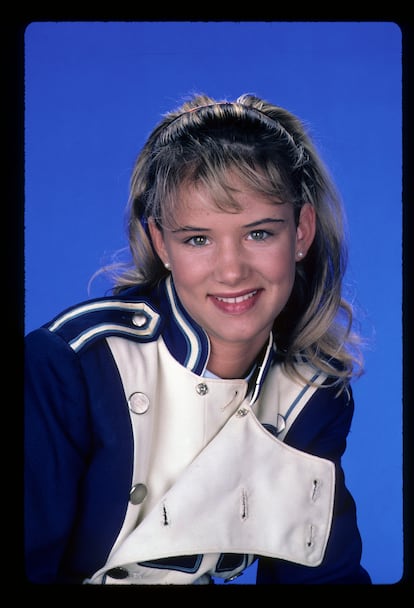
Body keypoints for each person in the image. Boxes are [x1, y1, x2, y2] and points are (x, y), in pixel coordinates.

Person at [24, 93, 372, 585]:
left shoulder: (311, 393)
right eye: (198, 239)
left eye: (259, 234)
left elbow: (320, 575)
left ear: (301, 232)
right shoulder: (69, 365)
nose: (231, 271)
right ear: (161, 243)